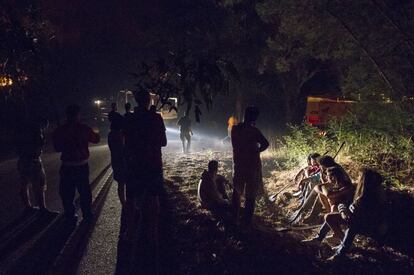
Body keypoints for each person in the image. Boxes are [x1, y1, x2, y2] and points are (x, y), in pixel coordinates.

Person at [123, 90, 167, 271]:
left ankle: (131, 231)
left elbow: (127, 142)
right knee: (154, 197)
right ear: (149, 101)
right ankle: (153, 233)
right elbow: (163, 142)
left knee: (132, 197)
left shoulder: (130, 119)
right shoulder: (156, 118)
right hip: (153, 164)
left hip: (135, 164)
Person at [326, 168, 387, 260]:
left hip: (369, 225)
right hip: (355, 219)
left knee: (353, 227)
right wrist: (343, 212)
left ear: (364, 180)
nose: (357, 178)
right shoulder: (358, 191)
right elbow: (344, 203)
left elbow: (373, 216)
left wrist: (349, 214)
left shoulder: (372, 196)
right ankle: (339, 242)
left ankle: (340, 254)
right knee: (329, 217)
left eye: (359, 176)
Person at [53, 105, 100, 220]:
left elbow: (57, 148)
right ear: (78, 115)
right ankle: (87, 214)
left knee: (67, 193)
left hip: (67, 167)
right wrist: (96, 129)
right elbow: (96, 139)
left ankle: (70, 214)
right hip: (81, 166)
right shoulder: (84, 128)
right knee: (84, 192)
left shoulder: (61, 130)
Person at [231, 106, 269, 226]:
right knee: (250, 195)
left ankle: (234, 218)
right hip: (252, 166)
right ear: (254, 118)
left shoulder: (235, 129)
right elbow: (266, 144)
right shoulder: (254, 131)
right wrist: (256, 151)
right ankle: (247, 221)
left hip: (239, 164)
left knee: (237, 192)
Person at [302, 166, 355, 243]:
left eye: (328, 176)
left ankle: (342, 241)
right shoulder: (337, 184)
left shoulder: (347, 187)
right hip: (340, 210)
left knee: (332, 209)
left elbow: (329, 195)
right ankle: (323, 237)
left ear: (333, 177)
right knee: (330, 205)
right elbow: (316, 187)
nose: (326, 178)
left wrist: (323, 187)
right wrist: (323, 188)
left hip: (348, 213)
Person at [14, 117, 52, 213]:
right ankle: (42, 209)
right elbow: (39, 144)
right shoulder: (36, 130)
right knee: (39, 185)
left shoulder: (20, 130)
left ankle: (27, 207)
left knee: (24, 184)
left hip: (22, 160)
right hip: (33, 160)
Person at [108, 112, 126, 207]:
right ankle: (127, 203)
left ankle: (124, 203)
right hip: (122, 161)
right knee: (125, 183)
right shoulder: (119, 135)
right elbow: (122, 149)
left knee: (121, 183)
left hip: (116, 161)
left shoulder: (111, 134)